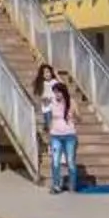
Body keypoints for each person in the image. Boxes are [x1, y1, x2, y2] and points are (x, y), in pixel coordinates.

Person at [36, 66, 79, 195]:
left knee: (70, 161)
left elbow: (79, 117)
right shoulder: (52, 102)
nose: (56, 94)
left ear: (63, 92)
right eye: (55, 92)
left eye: (58, 92)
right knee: (55, 162)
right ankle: (56, 186)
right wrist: (50, 131)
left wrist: (74, 116)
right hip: (56, 136)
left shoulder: (71, 102)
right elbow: (48, 116)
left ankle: (72, 186)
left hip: (69, 135)